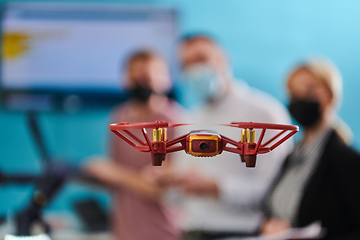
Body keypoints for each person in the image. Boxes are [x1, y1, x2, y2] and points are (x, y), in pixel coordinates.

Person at [168, 34, 294, 239]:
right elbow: (179, 197)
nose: (193, 70)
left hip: (242, 232)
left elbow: (276, 190)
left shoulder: (264, 114)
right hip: (190, 231)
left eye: (200, 59)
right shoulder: (190, 120)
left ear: (222, 58)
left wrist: (217, 188)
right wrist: (170, 182)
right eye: (185, 65)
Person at [85, 50, 183, 240]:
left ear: (166, 79)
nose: (140, 83)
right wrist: (95, 172)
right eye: (134, 76)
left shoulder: (173, 121)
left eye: (147, 77)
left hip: (162, 232)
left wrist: (113, 172)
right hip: (124, 232)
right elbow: (116, 179)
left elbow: (164, 190)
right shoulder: (119, 117)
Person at [261, 58, 360, 239]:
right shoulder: (292, 157)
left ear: (331, 96)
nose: (300, 99)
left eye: (310, 90)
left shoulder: (348, 161)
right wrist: (267, 226)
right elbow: (276, 211)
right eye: (293, 93)